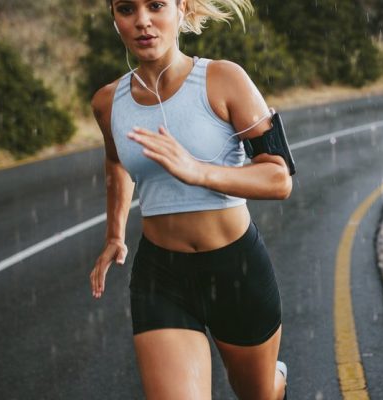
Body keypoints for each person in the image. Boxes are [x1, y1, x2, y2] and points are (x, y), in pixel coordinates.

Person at [88, 0, 291, 399]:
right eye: (127, 8)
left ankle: (275, 379)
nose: (142, 21)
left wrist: (199, 171)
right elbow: (116, 162)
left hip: (235, 269)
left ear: (181, 9)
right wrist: (115, 233)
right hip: (161, 277)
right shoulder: (108, 102)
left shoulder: (223, 79)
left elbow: (279, 177)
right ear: (115, 18)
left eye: (156, 5)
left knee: (259, 393)